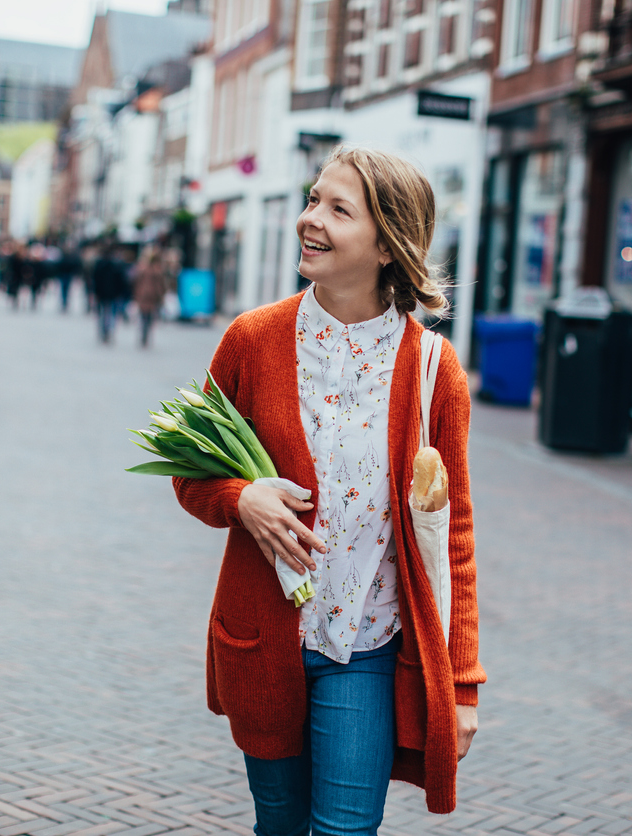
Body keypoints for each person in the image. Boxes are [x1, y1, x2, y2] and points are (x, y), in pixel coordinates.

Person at [171, 147, 484, 831]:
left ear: (386, 244)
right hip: (267, 641)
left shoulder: (433, 370)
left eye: (338, 209)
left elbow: (452, 533)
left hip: (366, 648)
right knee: (279, 825)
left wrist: (462, 684)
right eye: (314, 200)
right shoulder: (251, 340)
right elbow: (189, 474)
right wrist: (241, 499)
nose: (310, 219)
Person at [131, 246, 168, 347]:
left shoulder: (142, 269)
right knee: (150, 317)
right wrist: (161, 296)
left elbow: (136, 282)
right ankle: (146, 334)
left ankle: (143, 333)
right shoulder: (158, 270)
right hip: (153, 297)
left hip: (143, 295)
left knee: (143, 316)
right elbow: (161, 286)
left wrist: (136, 294)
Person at [91, 245, 128, 344]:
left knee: (104, 312)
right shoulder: (116, 265)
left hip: (104, 293)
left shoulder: (100, 264)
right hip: (112, 293)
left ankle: (105, 330)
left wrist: (96, 292)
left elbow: (95, 279)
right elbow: (121, 281)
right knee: (110, 313)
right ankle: (107, 330)